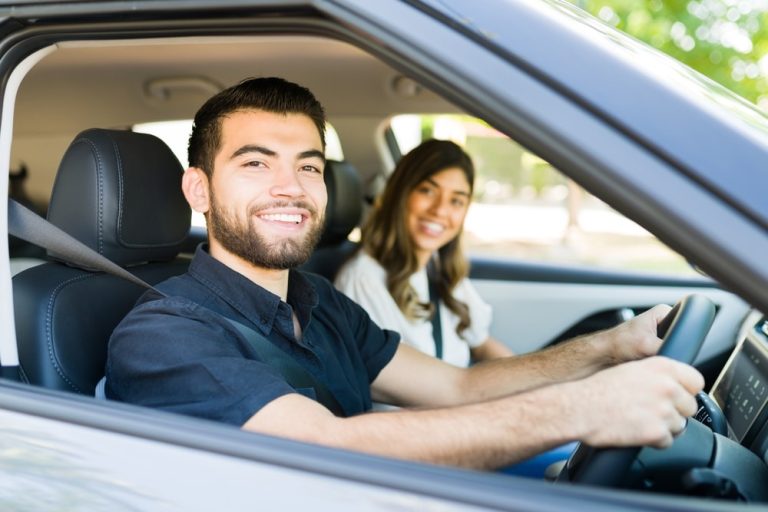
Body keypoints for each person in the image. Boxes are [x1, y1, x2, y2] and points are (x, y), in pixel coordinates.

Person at [105, 77, 704, 471]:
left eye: (309, 167)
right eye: (256, 163)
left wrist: (612, 347)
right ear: (198, 189)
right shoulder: (163, 334)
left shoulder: (318, 303)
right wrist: (583, 408)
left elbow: (458, 388)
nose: (289, 187)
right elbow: (325, 447)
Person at [336, 139, 512, 368]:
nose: (440, 210)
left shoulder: (438, 268)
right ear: (400, 194)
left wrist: (537, 384)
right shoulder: (363, 280)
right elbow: (390, 385)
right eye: (427, 191)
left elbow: (481, 343)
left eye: (456, 201)